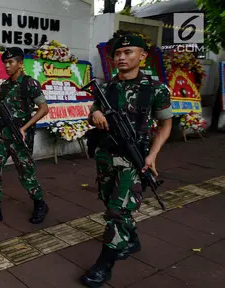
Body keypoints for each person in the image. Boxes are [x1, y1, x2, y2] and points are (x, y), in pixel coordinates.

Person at [81, 34, 173, 287]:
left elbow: (166, 125)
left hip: (135, 160)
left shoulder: (156, 89)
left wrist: (153, 155)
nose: (121, 58)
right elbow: (92, 112)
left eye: (128, 52)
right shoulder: (107, 87)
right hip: (106, 157)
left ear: (142, 56)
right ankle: (131, 240)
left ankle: (104, 266)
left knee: (118, 212)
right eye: (118, 54)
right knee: (109, 202)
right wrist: (95, 114)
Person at [0, 47, 49, 226]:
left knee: (26, 173)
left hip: (19, 136)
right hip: (2, 134)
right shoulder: (3, 85)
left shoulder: (29, 83)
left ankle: (40, 204)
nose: (7, 66)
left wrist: (24, 128)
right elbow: (2, 107)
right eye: (5, 63)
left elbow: (43, 109)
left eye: (11, 62)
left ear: (20, 63)